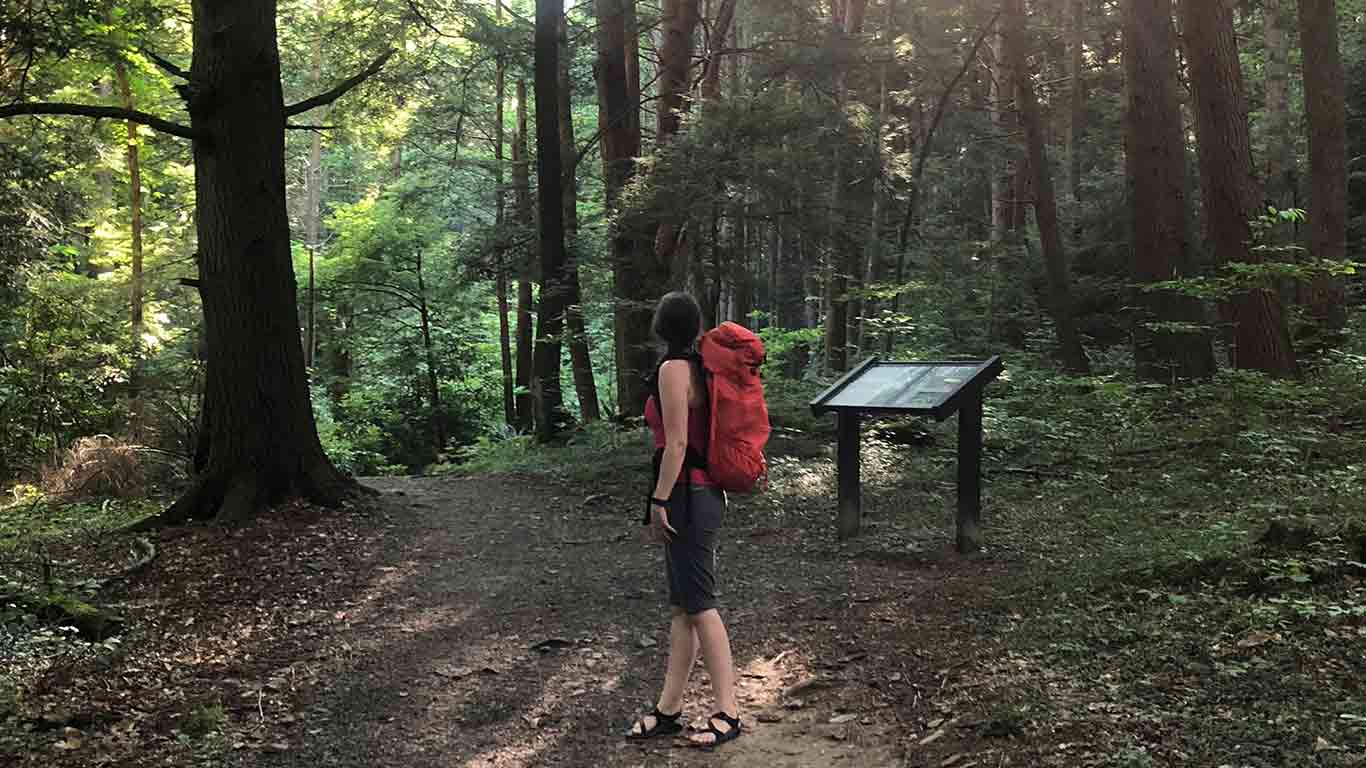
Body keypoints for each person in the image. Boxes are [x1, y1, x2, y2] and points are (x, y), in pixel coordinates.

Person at [626, 291, 742, 749]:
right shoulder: (696, 366)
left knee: (701, 606)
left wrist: (658, 500)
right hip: (695, 492)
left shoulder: (675, 369)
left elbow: (675, 444)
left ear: (660, 326)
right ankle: (669, 709)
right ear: (696, 327)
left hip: (687, 494)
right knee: (682, 608)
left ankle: (729, 712)